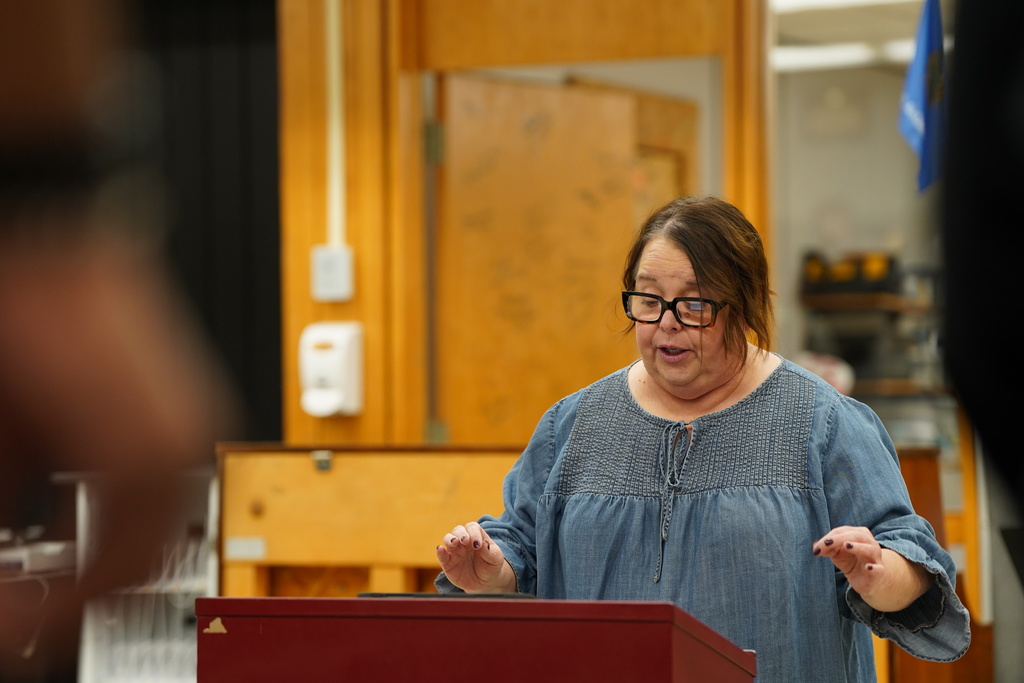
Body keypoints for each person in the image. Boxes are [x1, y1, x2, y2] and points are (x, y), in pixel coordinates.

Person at [435, 196, 971, 682]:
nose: (667, 324)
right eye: (649, 300)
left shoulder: (824, 423)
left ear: (745, 306)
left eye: (694, 304)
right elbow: (523, 552)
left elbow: (912, 561)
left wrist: (879, 575)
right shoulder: (571, 425)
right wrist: (492, 571)